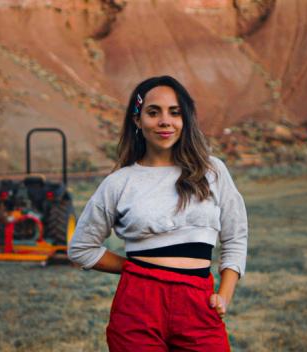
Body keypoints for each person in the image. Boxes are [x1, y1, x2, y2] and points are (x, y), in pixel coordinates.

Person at [67, 75, 248, 351]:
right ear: (137, 120)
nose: (165, 121)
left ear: (185, 119)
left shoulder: (212, 171)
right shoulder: (120, 182)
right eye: (154, 112)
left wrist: (223, 296)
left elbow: (236, 236)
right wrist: (136, 270)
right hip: (137, 304)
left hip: (198, 302)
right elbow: (81, 248)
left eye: (174, 113)